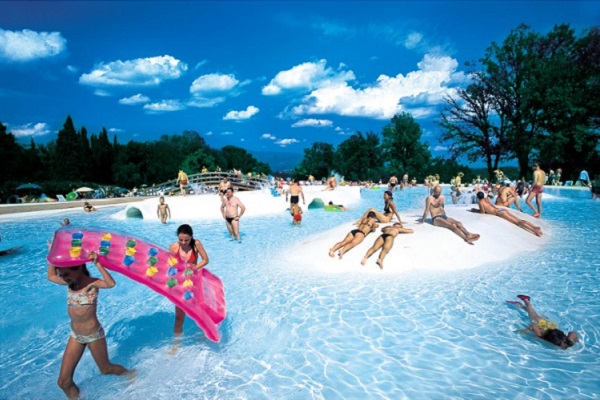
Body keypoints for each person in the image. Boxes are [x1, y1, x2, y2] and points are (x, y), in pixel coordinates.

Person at [47, 251, 133, 399]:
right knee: (64, 382)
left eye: (67, 274)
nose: (64, 278)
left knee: (105, 369)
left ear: (79, 268)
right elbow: (51, 276)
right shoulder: (70, 283)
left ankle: (130, 374)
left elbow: (110, 284)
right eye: (62, 275)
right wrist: (53, 255)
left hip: (93, 335)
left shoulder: (92, 284)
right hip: (75, 336)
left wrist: (97, 263)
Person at [168, 224, 209, 334]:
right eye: (180, 240)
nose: (183, 242)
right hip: (180, 283)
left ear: (191, 237)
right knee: (179, 317)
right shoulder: (173, 247)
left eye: (186, 240)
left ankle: (204, 337)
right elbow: (170, 266)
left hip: (194, 282)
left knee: (200, 313)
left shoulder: (196, 244)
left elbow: (205, 260)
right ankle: (176, 342)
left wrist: (194, 268)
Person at [507, 295, 578, 349]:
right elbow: (534, 326)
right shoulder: (541, 335)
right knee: (532, 312)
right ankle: (526, 300)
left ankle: (519, 305)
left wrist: (576, 340)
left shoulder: (569, 341)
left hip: (552, 325)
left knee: (531, 312)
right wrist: (525, 330)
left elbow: (573, 333)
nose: (561, 345)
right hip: (539, 322)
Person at [470, 191, 542, 237]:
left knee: (517, 222)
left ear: (478, 197)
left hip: (499, 213)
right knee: (519, 220)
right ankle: (535, 227)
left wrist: (475, 210)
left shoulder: (480, 202)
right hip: (502, 210)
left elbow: (482, 212)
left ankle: (534, 230)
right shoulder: (486, 199)